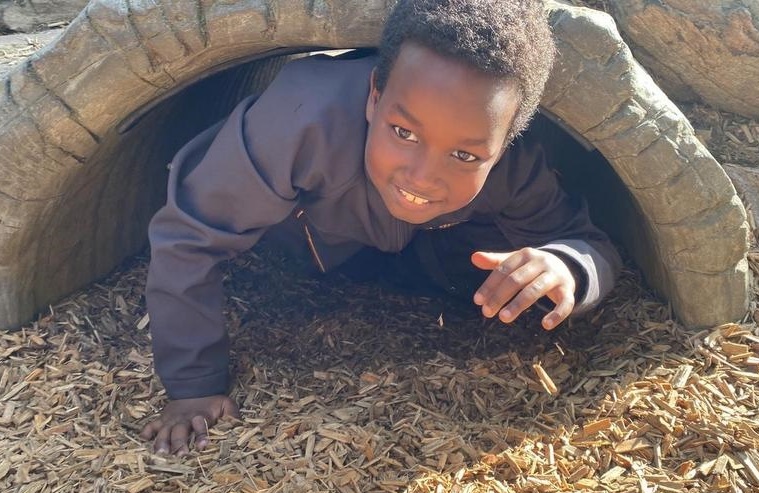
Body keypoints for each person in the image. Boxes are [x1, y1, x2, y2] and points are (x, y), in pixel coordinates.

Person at [140, 0, 621, 455]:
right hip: (305, 238)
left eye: (465, 155)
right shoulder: (300, 120)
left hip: (430, 252)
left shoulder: (514, 172)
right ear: (374, 96)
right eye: (404, 132)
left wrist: (566, 266)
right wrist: (193, 387)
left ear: (506, 143)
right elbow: (190, 238)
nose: (421, 175)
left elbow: (589, 243)